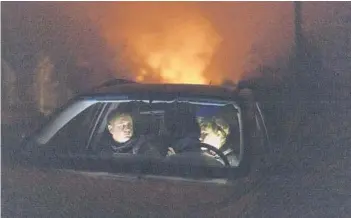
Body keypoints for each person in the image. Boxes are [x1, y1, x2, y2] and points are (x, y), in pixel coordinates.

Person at [100, 108, 165, 157]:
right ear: (111, 129)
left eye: (130, 124)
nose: (128, 129)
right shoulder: (98, 147)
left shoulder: (144, 147)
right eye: (122, 125)